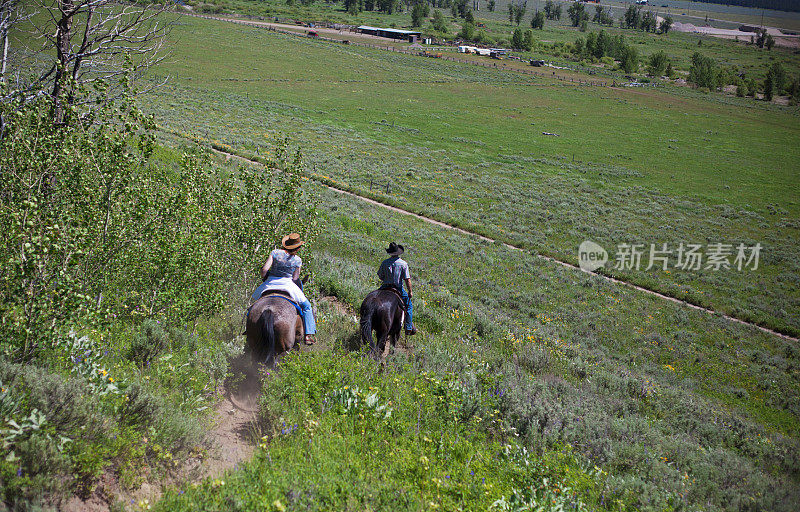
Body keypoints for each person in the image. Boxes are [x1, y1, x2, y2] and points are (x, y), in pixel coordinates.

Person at [251, 233, 316, 345]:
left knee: (254, 303)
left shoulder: (275, 253)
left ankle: (250, 329)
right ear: (297, 248)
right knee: (307, 306)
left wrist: (267, 277)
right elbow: (295, 278)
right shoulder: (298, 260)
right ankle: (308, 335)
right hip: (288, 284)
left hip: (270, 283)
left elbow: (264, 270)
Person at [378, 242, 416, 336]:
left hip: (385, 287)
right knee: (409, 306)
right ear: (398, 252)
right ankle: (408, 327)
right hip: (397, 288)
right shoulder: (403, 264)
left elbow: (380, 276)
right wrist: (410, 291)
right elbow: (407, 280)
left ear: (390, 253)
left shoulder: (385, 262)